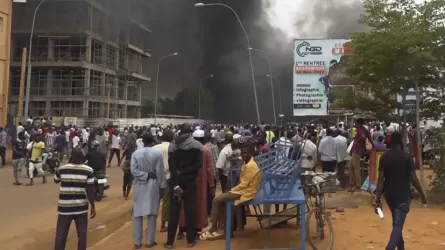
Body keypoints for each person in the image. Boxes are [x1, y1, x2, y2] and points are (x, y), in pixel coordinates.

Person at [375, 131, 427, 250]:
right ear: (401, 142)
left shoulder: (384, 157)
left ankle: (401, 247)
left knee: (396, 223)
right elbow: (414, 179)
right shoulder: (407, 157)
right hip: (403, 196)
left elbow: (380, 180)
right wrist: (423, 195)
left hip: (390, 196)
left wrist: (377, 199)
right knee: (398, 225)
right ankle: (390, 247)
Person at [200, 143, 261, 240]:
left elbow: (243, 185)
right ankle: (223, 228)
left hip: (246, 192)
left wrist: (232, 190)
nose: (243, 155)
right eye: (242, 153)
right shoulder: (249, 160)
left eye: (245, 153)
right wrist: (235, 158)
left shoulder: (250, 166)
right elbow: (241, 158)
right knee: (222, 201)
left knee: (217, 199)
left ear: (251, 153)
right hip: (245, 190)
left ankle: (214, 225)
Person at [165, 123, 203, 249]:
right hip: (190, 182)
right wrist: (186, 171)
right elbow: (198, 165)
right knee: (190, 211)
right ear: (190, 133)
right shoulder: (197, 146)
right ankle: (190, 241)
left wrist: (177, 178)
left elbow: (172, 166)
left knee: (174, 211)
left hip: (176, 183)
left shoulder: (173, 145)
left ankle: (170, 242)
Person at [53, 148, 96, 250]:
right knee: (82, 234)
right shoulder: (88, 170)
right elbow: (90, 190)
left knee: (61, 235)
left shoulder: (61, 169)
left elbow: (56, 180)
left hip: (64, 207)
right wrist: (93, 206)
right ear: (82, 157)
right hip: (81, 207)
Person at [176, 129, 215, 240]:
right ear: (203, 139)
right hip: (201, 183)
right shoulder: (206, 151)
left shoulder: (186, 148)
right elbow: (209, 169)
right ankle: (195, 231)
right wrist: (211, 184)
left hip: (186, 179)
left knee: (184, 203)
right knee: (199, 204)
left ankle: (181, 229)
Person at [131, 133, 167, 249]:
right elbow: (160, 171)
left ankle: (137, 242)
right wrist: (162, 186)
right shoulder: (157, 153)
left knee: (137, 213)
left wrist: (144, 175)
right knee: (152, 213)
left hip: (139, 185)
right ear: (152, 142)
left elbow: (133, 171)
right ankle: (149, 241)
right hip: (153, 184)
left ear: (143, 142)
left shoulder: (135, 153)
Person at [153, 129, 174, 232]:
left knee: (154, 201)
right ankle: (163, 224)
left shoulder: (154, 148)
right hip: (168, 177)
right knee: (166, 201)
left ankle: (152, 223)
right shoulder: (172, 148)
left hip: (155, 177)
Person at [349, 118, 374, 192]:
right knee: (350, 166)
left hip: (356, 149)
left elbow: (363, 136)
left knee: (356, 167)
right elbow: (369, 137)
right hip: (358, 149)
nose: (354, 124)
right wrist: (372, 144)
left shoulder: (360, 129)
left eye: (355, 123)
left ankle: (358, 185)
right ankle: (352, 183)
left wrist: (358, 141)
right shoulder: (364, 129)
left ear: (357, 123)